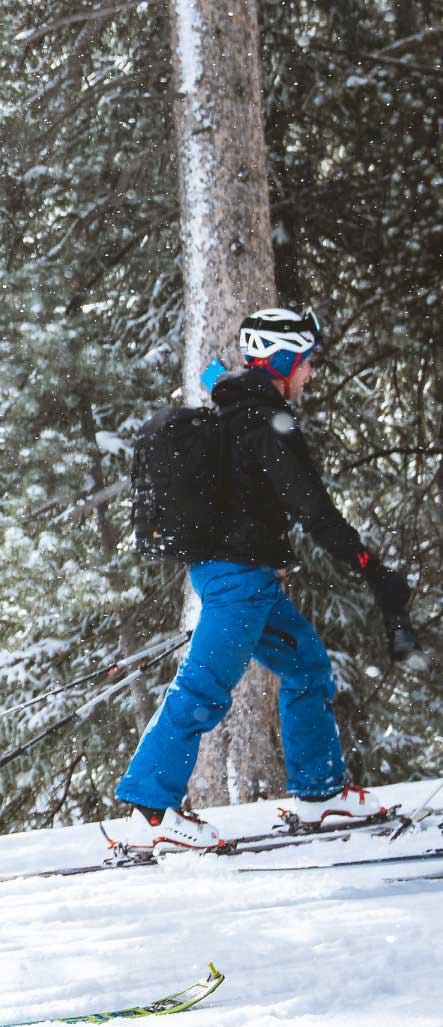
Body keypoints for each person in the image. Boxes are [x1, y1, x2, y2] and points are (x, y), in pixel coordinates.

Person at [114, 308, 422, 852]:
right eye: (306, 363)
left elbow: (225, 392)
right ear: (284, 360)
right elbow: (315, 510)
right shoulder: (264, 425)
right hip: (239, 581)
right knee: (204, 687)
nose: (310, 375)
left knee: (306, 665)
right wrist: (372, 568)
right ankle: (151, 811)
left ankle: (321, 793)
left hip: (240, 576)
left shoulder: (237, 408)